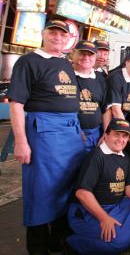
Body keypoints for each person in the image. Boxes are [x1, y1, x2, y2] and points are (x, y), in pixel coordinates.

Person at [7, 19, 86, 254]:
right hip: (44, 133)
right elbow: (16, 104)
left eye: (63, 35)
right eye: (53, 33)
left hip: (70, 135)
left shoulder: (65, 63)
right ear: (43, 33)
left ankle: (57, 241)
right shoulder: (28, 62)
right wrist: (21, 141)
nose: (58, 38)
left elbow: (69, 100)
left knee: (67, 187)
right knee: (41, 190)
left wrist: (78, 129)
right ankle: (38, 246)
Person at [66, 118, 130, 254]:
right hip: (88, 212)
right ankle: (73, 243)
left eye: (124, 136)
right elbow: (82, 193)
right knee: (118, 241)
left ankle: (122, 236)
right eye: (116, 134)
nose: (121, 139)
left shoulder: (124, 157)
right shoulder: (96, 157)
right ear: (106, 135)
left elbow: (128, 187)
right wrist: (104, 218)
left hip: (115, 207)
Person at [72, 40, 108, 152]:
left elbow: (105, 109)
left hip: (96, 134)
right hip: (71, 134)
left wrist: (106, 133)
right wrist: (75, 130)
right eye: (82, 53)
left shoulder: (101, 78)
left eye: (90, 54)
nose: (86, 58)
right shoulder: (66, 74)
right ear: (73, 53)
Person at [105, 51, 130, 134]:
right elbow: (115, 110)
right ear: (127, 63)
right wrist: (127, 133)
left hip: (121, 121)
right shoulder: (116, 78)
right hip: (108, 123)